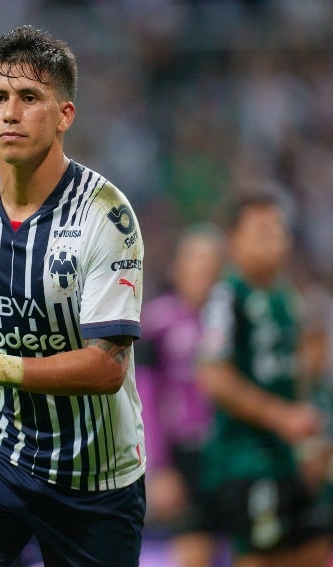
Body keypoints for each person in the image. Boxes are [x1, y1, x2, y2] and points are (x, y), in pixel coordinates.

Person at [0, 25, 146, 566]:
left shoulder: (106, 216)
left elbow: (107, 368)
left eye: (29, 98)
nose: (11, 112)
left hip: (94, 477)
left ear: (64, 115)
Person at [196, 192, 332, 567]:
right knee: (261, 557)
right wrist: (281, 417)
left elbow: (296, 378)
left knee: (314, 549)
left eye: (278, 230)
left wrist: (309, 439)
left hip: (288, 457)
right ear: (234, 241)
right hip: (247, 459)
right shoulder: (227, 296)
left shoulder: (287, 298)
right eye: (261, 231)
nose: (274, 240)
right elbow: (213, 375)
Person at [136, 223, 226, 567]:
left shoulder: (231, 321)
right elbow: (145, 399)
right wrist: (158, 468)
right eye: (196, 262)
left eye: (212, 263)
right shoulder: (158, 323)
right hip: (184, 456)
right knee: (195, 551)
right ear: (178, 268)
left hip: (229, 454)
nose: (205, 272)